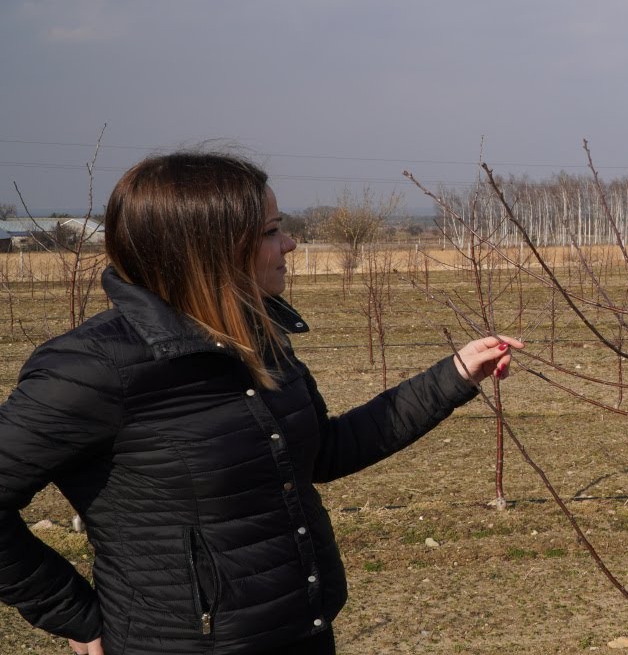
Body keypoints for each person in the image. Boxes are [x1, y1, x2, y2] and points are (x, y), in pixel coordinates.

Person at [0, 151, 522, 655]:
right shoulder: (91, 369)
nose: (291, 244)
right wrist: (71, 612)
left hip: (301, 630)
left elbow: (324, 452)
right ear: (209, 249)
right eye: (271, 232)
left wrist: (453, 377)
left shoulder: (251, 337)